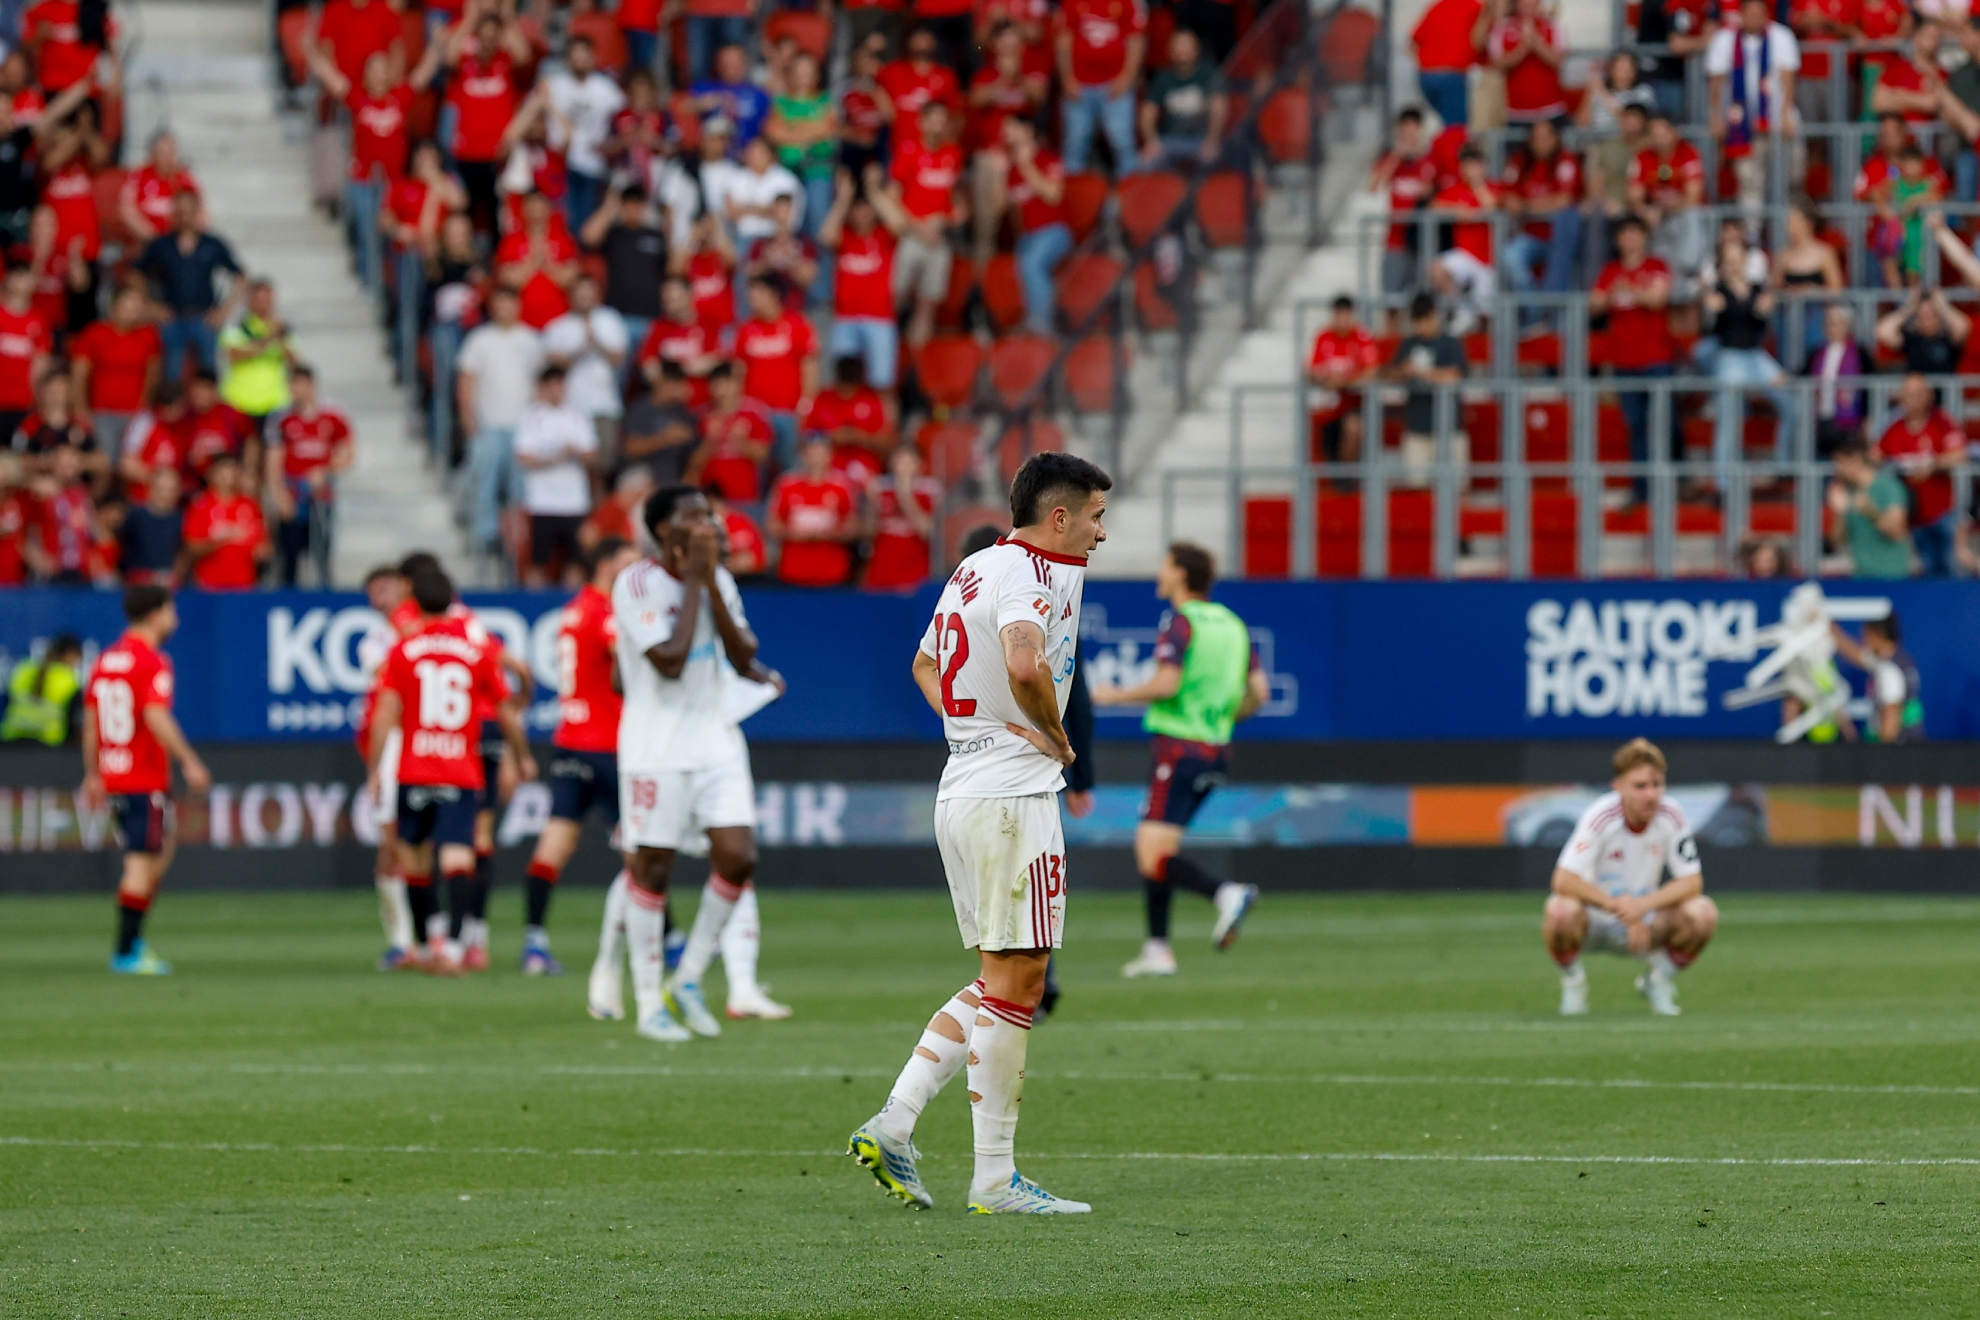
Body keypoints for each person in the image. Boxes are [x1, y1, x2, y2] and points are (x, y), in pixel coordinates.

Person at [847, 450, 1111, 1215]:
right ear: (1058, 516)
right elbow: (1026, 663)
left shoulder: (975, 566)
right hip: (1009, 800)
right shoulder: (1028, 575)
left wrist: (975, 731)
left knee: (1008, 980)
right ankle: (994, 1178)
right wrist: (1053, 737)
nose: (1101, 533)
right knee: (1020, 982)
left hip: (965, 788)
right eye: (1095, 517)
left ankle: (897, 1124)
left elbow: (925, 666)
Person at [611, 484, 782, 1042]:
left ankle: (686, 978)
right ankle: (648, 1003)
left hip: (714, 738)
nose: (711, 523)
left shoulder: (719, 579)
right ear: (665, 530)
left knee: (738, 856)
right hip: (655, 745)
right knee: (653, 867)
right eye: (696, 516)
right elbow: (669, 660)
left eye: (711, 513)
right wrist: (692, 583)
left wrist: (708, 582)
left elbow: (743, 655)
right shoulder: (635, 582)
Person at [1093, 542, 1268, 978]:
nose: (1159, 572)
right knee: (1158, 846)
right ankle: (1158, 948)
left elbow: (1167, 684)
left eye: (1165, 565)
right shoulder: (1232, 624)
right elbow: (1259, 694)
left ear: (1181, 574)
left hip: (1179, 748)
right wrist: (1223, 716)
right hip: (1216, 751)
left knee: (1150, 853)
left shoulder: (1181, 621)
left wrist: (1115, 696)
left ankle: (1225, 894)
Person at [367, 569, 537, 976]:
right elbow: (505, 712)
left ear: (414, 600)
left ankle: (429, 944)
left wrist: (375, 769)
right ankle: (459, 947)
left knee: (414, 860)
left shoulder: (403, 648)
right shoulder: (474, 649)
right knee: (458, 856)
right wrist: (522, 755)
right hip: (460, 768)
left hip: (414, 768)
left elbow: (385, 713)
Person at [81, 584, 212, 975]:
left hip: (115, 772)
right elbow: (155, 715)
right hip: (142, 776)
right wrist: (189, 760)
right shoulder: (152, 661)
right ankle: (127, 950)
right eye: (172, 611)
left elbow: (91, 723)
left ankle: (131, 937)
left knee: (159, 850)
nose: (176, 620)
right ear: (155, 615)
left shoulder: (105, 660)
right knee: (141, 861)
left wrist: (93, 773)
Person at [528, 536, 640, 979]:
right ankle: (669, 942)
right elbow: (625, 658)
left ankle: (534, 942)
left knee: (555, 842)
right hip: (606, 744)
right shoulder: (605, 611)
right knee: (641, 846)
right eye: (629, 563)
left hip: (570, 740)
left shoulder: (573, 610)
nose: (636, 572)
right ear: (606, 565)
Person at [1542, 738, 1718, 1017]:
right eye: (1640, 786)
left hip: (1646, 926)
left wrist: (1642, 906)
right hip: (1594, 922)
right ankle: (1574, 982)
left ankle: (1657, 980)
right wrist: (1618, 906)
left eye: (1657, 785)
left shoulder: (1671, 814)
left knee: (1703, 913)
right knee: (1559, 911)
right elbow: (1563, 879)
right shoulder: (1602, 816)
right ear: (1618, 786)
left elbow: (1692, 881)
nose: (1651, 795)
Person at [1591, 215, 1676, 503]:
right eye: (1624, 234)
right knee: (1636, 426)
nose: (1630, 240)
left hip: (1657, 359)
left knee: (1664, 424)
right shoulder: (1610, 270)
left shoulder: (1656, 266)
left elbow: (1657, 299)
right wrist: (1613, 294)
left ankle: (1670, 485)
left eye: (1635, 233)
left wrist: (1630, 290)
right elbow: (1594, 304)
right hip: (1624, 361)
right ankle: (1642, 489)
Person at [457, 286, 546, 553]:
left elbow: (540, 383)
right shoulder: (479, 339)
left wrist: (538, 424)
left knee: (520, 487)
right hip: (488, 424)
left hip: (522, 427)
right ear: (492, 307)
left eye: (509, 303)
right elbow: (467, 380)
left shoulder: (532, 340)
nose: (504, 309)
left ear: (518, 306)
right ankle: (486, 537)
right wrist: (467, 415)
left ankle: (517, 540)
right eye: (499, 304)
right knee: (484, 481)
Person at [1703, 224, 1794, 475]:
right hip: (1731, 357)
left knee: (1792, 404)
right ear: (1722, 264)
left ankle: (1783, 465)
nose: (1733, 264)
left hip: (1755, 356)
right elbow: (1714, 328)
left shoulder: (1757, 289)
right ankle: (1723, 481)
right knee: (1728, 421)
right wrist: (1711, 309)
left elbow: (1760, 324)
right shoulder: (1716, 291)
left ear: (1745, 260)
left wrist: (1765, 310)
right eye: (1728, 260)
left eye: (1737, 259)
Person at [136, 189, 244, 383]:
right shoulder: (161, 245)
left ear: (197, 212)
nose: (185, 216)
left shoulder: (212, 243)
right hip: (172, 317)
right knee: (171, 374)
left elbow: (240, 276)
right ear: (174, 214)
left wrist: (225, 310)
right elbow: (136, 274)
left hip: (204, 318)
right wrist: (149, 305)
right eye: (180, 211)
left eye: (189, 211)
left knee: (208, 373)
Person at [882, 102, 964, 349]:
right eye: (933, 119)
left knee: (928, 303)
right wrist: (918, 227)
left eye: (942, 120)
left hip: (939, 236)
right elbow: (892, 196)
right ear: (921, 123)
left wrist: (956, 213)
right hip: (911, 235)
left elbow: (954, 195)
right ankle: (888, 346)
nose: (938, 125)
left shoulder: (953, 154)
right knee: (896, 295)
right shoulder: (908, 151)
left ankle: (918, 357)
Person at [1705, 0, 1800, 214]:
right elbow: (1716, 82)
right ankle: (1752, 230)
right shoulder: (1725, 38)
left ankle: (1784, 227)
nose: (1755, 18)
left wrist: (1785, 115)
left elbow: (1788, 78)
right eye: (1750, 13)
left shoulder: (1781, 36)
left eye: (1759, 14)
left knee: (1787, 179)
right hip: (1741, 125)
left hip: (1776, 123)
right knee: (1749, 182)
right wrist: (1716, 117)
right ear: (1741, 15)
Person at [265, 364, 353, 587]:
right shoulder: (281, 418)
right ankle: (289, 593)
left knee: (322, 548)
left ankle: (324, 590)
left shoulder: (332, 415)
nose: (296, 389)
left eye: (301, 384)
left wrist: (326, 470)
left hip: (321, 494)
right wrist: (279, 493)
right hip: (293, 491)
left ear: (311, 385)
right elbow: (274, 458)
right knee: (289, 552)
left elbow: (347, 451)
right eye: (292, 384)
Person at [512, 365, 600, 587]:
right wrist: (556, 457)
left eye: (560, 385)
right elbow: (523, 458)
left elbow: (592, 455)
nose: (556, 391)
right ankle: (535, 601)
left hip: (574, 502)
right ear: (542, 388)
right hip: (542, 502)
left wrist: (574, 453)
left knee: (576, 562)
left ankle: (572, 601)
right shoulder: (531, 417)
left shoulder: (578, 416)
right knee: (538, 561)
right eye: (551, 386)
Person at [1875, 372, 1965, 576]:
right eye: (1908, 394)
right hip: (1912, 515)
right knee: (1926, 573)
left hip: (1942, 512)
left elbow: (1959, 454)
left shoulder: (1941, 422)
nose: (1912, 399)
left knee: (1950, 571)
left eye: (1918, 393)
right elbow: (1875, 456)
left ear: (1929, 396)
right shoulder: (1894, 428)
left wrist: (1932, 466)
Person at [818, 169, 901, 389]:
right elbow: (825, 235)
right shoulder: (845, 236)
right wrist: (843, 199)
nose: (861, 214)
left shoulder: (884, 237)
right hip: (846, 319)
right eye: (857, 209)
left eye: (866, 208)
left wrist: (874, 192)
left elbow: (899, 224)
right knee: (844, 384)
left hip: (880, 318)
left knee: (882, 384)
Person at [732, 274, 820, 471]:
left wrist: (805, 409)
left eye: (757, 293)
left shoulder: (797, 325)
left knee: (790, 467)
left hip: (788, 413)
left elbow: (810, 370)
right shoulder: (745, 329)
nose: (751, 299)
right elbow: (739, 373)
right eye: (750, 294)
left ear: (773, 295)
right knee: (757, 471)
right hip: (756, 415)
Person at [1383, 292, 1467, 487]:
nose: (1422, 327)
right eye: (1418, 322)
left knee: (1454, 488)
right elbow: (1391, 373)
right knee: (1417, 487)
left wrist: (1421, 371)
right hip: (1417, 426)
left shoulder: (1450, 343)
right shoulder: (1409, 344)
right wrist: (1403, 371)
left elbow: (1454, 375)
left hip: (1449, 428)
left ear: (1434, 316)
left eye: (1426, 320)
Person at [545, 34, 626, 236]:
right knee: (565, 224)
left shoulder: (606, 89)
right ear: (568, 58)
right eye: (576, 54)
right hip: (560, 165)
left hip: (593, 165)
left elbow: (625, 119)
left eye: (584, 54)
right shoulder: (554, 86)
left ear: (593, 57)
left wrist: (611, 144)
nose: (580, 59)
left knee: (586, 225)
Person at [542, 273, 629, 461]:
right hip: (571, 405)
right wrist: (579, 350)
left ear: (597, 295)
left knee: (604, 461)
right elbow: (552, 367)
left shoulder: (610, 319)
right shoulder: (558, 326)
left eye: (589, 292)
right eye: (580, 292)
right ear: (571, 295)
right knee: (575, 462)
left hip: (605, 404)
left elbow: (619, 359)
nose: (585, 297)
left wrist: (596, 342)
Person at [71, 284, 163, 459]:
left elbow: (153, 375)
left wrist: (144, 407)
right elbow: (79, 375)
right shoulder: (94, 333)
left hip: (136, 415)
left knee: (130, 463)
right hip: (102, 413)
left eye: (136, 307)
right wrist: (81, 409)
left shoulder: (148, 336)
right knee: (105, 462)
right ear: (113, 308)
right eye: (127, 306)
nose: (132, 311)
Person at [1057, 0, 1146, 176]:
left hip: (1115, 87)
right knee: (1074, 144)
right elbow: (1063, 40)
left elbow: (1136, 40)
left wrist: (1127, 78)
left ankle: (1128, 189)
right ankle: (1074, 191)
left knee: (1122, 143)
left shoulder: (1127, 3)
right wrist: (1067, 78)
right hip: (1080, 87)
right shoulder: (1072, 3)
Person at [1499, 117, 1583, 298]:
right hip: (1530, 236)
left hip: (1559, 238)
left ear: (1555, 138)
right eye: (1537, 137)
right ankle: (1536, 309)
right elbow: (1507, 196)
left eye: (1546, 137)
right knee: (1510, 256)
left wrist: (1526, 206)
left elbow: (1564, 200)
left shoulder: (1565, 159)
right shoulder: (1518, 161)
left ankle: (1545, 308)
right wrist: (1513, 203)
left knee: (1564, 272)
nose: (1541, 142)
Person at [1003, 117, 1073, 336]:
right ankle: (1032, 321)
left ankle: (1043, 329)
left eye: (1011, 127)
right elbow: (1014, 214)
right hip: (1028, 236)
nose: (1005, 132)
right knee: (1019, 268)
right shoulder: (1011, 170)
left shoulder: (1047, 159)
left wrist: (1027, 167)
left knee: (1031, 265)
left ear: (1027, 130)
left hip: (1055, 231)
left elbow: (1054, 195)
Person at [768, 431, 860, 587]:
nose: (816, 457)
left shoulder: (842, 486)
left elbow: (854, 527)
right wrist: (796, 534)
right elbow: (772, 525)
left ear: (830, 455)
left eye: (821, 451)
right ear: (803, 455)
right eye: (812, 451)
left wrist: (827, 534)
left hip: (832, 571)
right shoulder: (786, 484)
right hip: (793, 570)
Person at [1628, 114, 1707, 293]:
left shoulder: (1688, 153)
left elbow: (1693, 196)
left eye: (1663, 132)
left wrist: (1666, 209)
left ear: (1674, 133)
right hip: (1656, 221)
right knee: (1638, 220)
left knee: (1692, 214)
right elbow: (1634, 196)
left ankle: (1690, 269)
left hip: (1681, 218)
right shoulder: (1642, 157)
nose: (1659, 137)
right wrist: (1645, 211)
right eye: (1654, 133)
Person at [1426, 145, 1498, 336]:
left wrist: (1478, 186)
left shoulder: (1494, 187)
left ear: (1484, 166)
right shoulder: (1457, 189)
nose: (1470, 170)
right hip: (1466, 255)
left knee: (1487, 317)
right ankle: (1465, 311)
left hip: (1491, 261)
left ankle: (1476, 321)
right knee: (1437, 270)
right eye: (1466, 166)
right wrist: (1456, 210)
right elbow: (1433, 206)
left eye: (1474, 165)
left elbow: (1493, 207)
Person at [1368, 106, 1439, 294]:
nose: (1409, 133)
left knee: (1423, 300)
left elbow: (1435, 192)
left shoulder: (1430, 159)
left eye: (1413, 127)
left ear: (1420, 129)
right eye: (1404, 128)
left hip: (1422, 239)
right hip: (1395, 241)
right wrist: (1396, 156)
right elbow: (1374, 187)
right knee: (1392, 297)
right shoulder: (1390, 159)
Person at [217, 279, 297, 440]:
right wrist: (269, 339)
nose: (264, 305)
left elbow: (294, 361)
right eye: (260, 300)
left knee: (272, 450)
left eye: (268, 300)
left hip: (274, 402)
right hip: (239, 401)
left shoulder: (282, 328)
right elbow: (234, 355)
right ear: (249, 300)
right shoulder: (236, 327)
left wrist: (281, 339)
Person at [1139, 27, 1228, 171]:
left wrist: (1213, 139)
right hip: (1170, 140)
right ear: (1170, 51)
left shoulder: (1208, 72)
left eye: (1187, 45)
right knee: (1145, 162)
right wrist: (1152, 141)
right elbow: (1148, 112)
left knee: (1212, 161)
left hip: (1201, 140)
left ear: (1196, 49)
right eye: (1178, 46)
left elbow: (1219, 107)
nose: (1183, 50)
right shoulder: (1163, 78)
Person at [1306, 295, 1380, 465]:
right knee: (1324, 436)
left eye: (1346, 314)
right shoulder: (1324, 336)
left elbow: (1372, 371)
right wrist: (1325, 379)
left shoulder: (1362, 336)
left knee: (1354, 427)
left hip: (1355, 403)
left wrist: (1346, 381)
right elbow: (1312, 370)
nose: (1342, 320)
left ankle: (1346, 474)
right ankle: (1335, 470)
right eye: (1339, 314)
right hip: (1328, 403)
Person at [1829, 435, 1912, 579]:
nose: (1838, 469)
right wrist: (1840, 513)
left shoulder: (1888, 487)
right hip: (1861, 577)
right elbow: (1837, 542)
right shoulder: (1847, 491)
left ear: (1855, 459)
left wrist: (1869, 510)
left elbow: (1897, 532)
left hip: (1892, 576)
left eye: (1840, 462)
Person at [1833, 612, 1924, 743]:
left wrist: (1881, 753)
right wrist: (1830, 629)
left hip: (1897, 748)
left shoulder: (1889, 670)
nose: (1863, 640)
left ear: (1878, 634)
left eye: (1866, 635)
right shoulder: (1899, 661)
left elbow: (1891, 716)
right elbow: (1858, 655)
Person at [864, 443, 938, 589]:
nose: (903, 468)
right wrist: (871, 503)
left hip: (915, 571)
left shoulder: (929, 491)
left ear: (920, 465)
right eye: (899, 462)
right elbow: (868, 532)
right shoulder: (882, 489)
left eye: (909, 463)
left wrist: (906, 497)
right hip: (882, 569)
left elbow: (927, 531)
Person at [1803, 302, 1871, 457]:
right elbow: (1802, 374)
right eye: (1830, 324)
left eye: (1838, 323)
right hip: (1822, 417)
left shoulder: (1860, 353)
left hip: (1850, 421)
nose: (1833, 328)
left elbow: (1868, 388)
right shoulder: (1817, 353)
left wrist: (1867, 418)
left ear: (1848, 326)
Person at [1485, 0, 1567, 124]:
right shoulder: (1502, 28)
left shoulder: (1553, 26)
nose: (1528, 4)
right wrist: (1522, 49)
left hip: (1551, 111)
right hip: (1516, 113)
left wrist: (1537, 43)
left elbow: (1558, 60)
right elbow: (1497, 64)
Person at [2, 631, 82, 745]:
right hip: (48, 745)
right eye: (76, 658)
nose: (76, 664)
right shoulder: (68, 680)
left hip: (11, 741)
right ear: (69, 653)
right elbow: (75, 723)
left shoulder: (23, 670)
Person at [1411, 0, 1482, 127]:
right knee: (1456, 127)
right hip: (1452, 75)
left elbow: (1413, 43)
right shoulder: (1475, 8)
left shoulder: (1438, 6)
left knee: (1448, 123)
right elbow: (1482, 40)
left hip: (1426, 76)